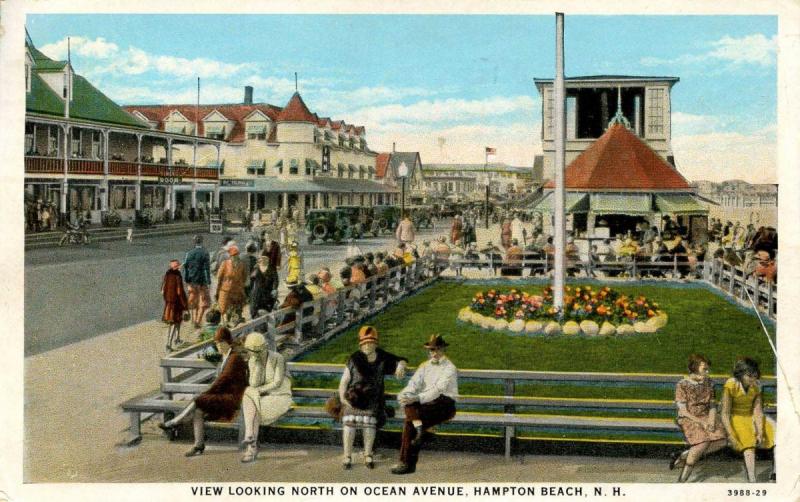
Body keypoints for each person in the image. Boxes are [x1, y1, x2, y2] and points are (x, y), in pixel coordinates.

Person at [158, 327, 248, 456]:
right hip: (224, 397)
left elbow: (222, 381)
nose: (219, 347)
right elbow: (208, 354)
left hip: (233, 400)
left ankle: (175, 422)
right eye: (217, 344)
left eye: (221, 343)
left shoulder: (234, 359)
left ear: (228, 342)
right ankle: (198, 446)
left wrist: (207, 394)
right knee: (198, 411)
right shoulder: (226, 356)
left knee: (199, 399)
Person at [338, 326, 408, 469]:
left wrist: (400, 365)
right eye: (365, 343)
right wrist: (343, 399)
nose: (368, 345)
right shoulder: (354, 358)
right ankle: (347, 456)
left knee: (369, 423)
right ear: (361, 344)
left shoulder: (382, 357)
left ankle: (368, 455)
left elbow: (400, 359)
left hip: (373, 400)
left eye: (371, 342)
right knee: (349, 424)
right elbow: (344, 382)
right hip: (354, 399)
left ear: (376, 344)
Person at [391, 334, 458, 475]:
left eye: (437, 350)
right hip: (426, 405)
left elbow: (437, 390)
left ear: (443, 350)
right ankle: (419, 430)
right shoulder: (424, 366)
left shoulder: (449, 368)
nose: (434, 353)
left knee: (411, 417)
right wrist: (404, 396)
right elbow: (413, 384)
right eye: (431, 350)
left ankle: (407, 463)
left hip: (444, 404)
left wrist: (416, 398)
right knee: (409, 417)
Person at [669, 354, 728, 482]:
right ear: (694, 368)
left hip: (706, 416)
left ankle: (683, 455)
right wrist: (702, 422)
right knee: (703, 442)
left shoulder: (709, 382)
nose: (707, 372)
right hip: (688, 417)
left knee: (722, 440)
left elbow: (712, 405)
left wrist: (711, 420)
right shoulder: (682, 384)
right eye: (704, 369)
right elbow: (683, 411)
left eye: (707, 369)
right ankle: (682, 479)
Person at [240, 332, 293, 463]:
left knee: (253, 408)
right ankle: (250, 439)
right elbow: (253, 384)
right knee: (248, 394)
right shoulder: (252, 361)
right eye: (253, 351)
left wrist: (258, 390)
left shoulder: (277, 358)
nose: (257, 354)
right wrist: (257, 366)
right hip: (262, 398)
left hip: (279, 396)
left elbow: (277, 382)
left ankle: (250, 446)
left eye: (259, 350)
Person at [721, 357, 776, 482]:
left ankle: (775, 473)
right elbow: (724, 413)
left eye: (755, 375)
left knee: (776, 433)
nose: (753, 379)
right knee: (748, 443)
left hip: (751, 416)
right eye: (749, 376)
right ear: (740, 374)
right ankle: (752, 479)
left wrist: (760, 431)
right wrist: (731, 435)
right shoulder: (731, 384)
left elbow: (758, 411)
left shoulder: (756, 386)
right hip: (735, 417)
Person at [183, 235, 212, 330]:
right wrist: (209, 281)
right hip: (202, 280)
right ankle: (197, 321)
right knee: (203, 301)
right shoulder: (205, 253)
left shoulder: (189, 253)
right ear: (202, 241)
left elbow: (186, 267)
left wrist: (186, 279)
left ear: (194, 242)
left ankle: (186, 310)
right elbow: (207, 268)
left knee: (192, 298)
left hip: (191, 280)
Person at [216, 245, 247, 326]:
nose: (235, 257)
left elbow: (244, 277)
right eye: (233, 255)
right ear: (230, 256)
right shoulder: (225, 263)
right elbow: (219, 276)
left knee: (237, 309)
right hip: (226, 290)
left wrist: (241, 286)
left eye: (237, 255)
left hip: (237, 290)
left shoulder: (241, 264)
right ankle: (225, 324)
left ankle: (235, 325)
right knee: (224, 310)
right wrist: (219, 287)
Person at [162, 259, 188, 352]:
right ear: (177, 268)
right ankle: (168, 344)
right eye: (179, 266)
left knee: (177, 321)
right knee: (173, 323)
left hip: (168, 303)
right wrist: (185, 304)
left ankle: (177, 339)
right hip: (176, 303)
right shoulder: (178, 276)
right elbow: (180, 291)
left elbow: (162, 290)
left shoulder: (167, 274)